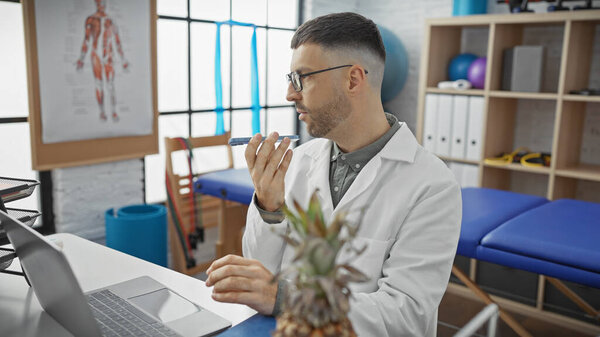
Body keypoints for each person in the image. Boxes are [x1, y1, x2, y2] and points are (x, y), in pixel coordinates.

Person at [205, 12, 461, 336]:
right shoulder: (298, 161)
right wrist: (269, 208)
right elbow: (263, 276)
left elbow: (405, 316)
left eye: (302, 77)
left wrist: (287, 297)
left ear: (353, 80)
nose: (289, 93)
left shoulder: (433, 186)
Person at [76, 0, 129, 122]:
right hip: (96, 56)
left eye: (104, 2)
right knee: (99, 84)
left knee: (110, 85)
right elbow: (86, 40)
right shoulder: (91, 20)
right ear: (96, 3)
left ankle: (114, 112)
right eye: (100, 2)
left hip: (108, 55)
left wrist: (123, 60)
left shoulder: (111, 21)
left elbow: (117, 41)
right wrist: (82, 58)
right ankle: (102, 112)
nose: (102, 5)